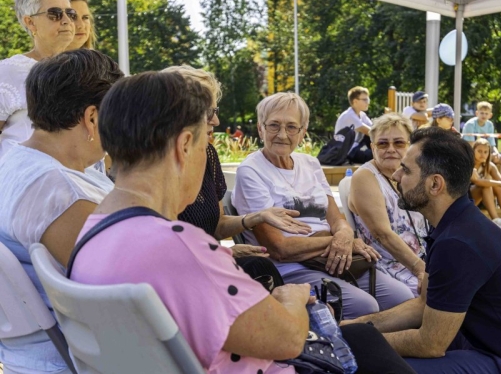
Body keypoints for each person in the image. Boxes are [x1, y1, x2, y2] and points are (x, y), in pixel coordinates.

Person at [70, 72, 417, 374]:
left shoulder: (93, 230)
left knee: (363, 334)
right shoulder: (179, 246)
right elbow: (288, 338)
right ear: (184, 146)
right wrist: (291, 297)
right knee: (365, 341)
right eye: (206, 140)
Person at [342, 127, 501, 374]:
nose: (395, 175)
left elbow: (431, 344)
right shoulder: (458, 225)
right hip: (492, 353)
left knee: (375, 366)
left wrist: (355, 342)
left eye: (406, 170)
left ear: (435, 184)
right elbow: (422, 306)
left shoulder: (458, 243)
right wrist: (354, 327)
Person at [233, 92, 415, 319]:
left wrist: (344, 235)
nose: (282, 134)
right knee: (364, 306)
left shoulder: (310, 164)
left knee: (403, 297)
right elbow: (279, 248)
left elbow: (337, 219)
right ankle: (345, 353)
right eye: (273, 126)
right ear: (260, 129)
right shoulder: (251, 171)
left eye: (291, 127)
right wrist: (336, 240)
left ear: (302, 132)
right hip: (292, 269)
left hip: (332, 260)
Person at [0, 50, 123, 374]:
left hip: (39, 357)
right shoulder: (56, 190)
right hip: (75, 360)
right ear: (93, 118)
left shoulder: (18, 163)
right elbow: (128, 277)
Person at [162, 65, 312, 283]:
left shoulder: (207, 155)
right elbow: (167, 251)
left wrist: (257, 217)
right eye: (210, 112)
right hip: (184, 276)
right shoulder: (156, 166)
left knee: (260, 267)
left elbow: (216, 224)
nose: (216, 121)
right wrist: (224, 253)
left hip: (207, 262)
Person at [348, 113, 428, 296]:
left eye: (399, 143)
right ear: (372, 147)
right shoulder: (365, 177)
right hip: (387, 266)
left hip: (421, 260)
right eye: (383, 144)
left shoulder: (412, 174)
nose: (390, 149)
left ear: (410, 146)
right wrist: (420, 269)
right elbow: (382, 234)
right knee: (436, 296)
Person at [0, 0, 76, 159]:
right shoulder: (9, 71)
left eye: (70, 13)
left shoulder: (81, 70)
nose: (66, 21)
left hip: (74, 181)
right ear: (30, 22)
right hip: (23, 180)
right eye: (55, 14)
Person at [462, 101, 501, 183]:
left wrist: (496, 153)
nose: (484, 115)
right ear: (477, 113)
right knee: (491, 164)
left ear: (490, 115)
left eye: (486, 113)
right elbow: (470, 146)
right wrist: (486, 155)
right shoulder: (470, 125)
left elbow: (491, 144)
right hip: (471, 154)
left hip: (484, 153)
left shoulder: (490, 125)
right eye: (482, 113)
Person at [334, 86, 373, 164]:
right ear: (355, 101)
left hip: (357, 147)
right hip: (348, 151)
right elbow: (370, 132)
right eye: (365, 100)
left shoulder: (362, 115)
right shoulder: (349, 115)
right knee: (378, 156)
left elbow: (375, 128)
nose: (368, 102)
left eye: (368, 99)